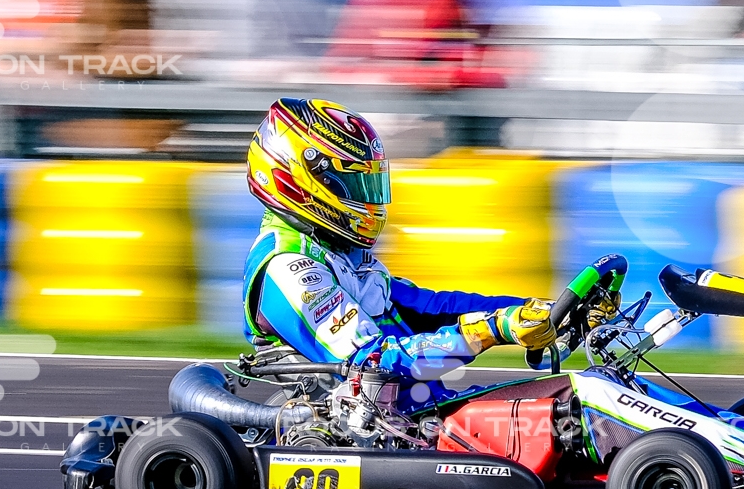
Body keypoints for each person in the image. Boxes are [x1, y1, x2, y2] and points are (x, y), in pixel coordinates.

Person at [236, 97, 622, 420]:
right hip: (381, 429)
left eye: (370, 182)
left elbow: (430, 308)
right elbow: (372, 363)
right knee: (579, 407)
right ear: (298, 180)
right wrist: (491, 330)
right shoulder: (288, 267)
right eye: (353, 182)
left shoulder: (340, 253)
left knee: (592, 392)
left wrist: (539, 311)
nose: (368, 197)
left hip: (421, 413)